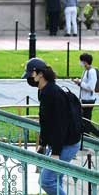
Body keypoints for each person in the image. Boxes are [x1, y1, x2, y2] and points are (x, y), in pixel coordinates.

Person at [22, 58, 82, 195]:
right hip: (61, 143)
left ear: (40, 74)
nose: (29, 78)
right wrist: (43, 143)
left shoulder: (53, 93)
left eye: (31, 74)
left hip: (66, 144)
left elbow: (59, 125)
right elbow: (46, 122)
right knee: (56, 180)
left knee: (46, 181)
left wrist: (55, 152)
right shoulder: (43, 91)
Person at [73, 53, 99, 135]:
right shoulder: (86, 71)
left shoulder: (91, 72)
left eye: (81, 61)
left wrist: (79, 83)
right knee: (84, 120)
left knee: (86, 121)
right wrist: (79, 82)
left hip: (89, 100)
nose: (80, 62)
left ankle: (95, 135)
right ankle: (86, 137)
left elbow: (91, 87)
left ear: (85, 62)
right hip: (85, 99)